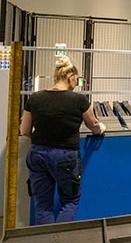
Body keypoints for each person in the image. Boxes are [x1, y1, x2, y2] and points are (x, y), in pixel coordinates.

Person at [20, 56, 106, 224]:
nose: (77, 83)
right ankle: (61, 239)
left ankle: (46, 240)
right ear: (70, 77)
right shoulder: (79, 100)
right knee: (70, 201)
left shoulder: (35, 98)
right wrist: (101, 128)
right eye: (76, 79)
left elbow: (24, 131)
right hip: (66, 157)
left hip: (38, 155)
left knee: (42, 205)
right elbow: (93, 125)